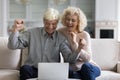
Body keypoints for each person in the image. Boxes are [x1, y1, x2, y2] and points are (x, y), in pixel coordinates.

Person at [8, 8, 81, 80]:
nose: (50, 27)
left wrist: (79, 48)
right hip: (33, 70)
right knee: (25, 69)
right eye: (47, 23)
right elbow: (13, 45)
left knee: (70, 71)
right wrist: (15, 30)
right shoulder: (32, 33)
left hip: (52, 71)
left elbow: (69, 59)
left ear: (57, 23)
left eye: (53, 24)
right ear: (43, 21)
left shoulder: (61, 38)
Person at [58, 7, 101, 80]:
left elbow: (87, 58)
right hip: (73, 70)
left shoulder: (84, 35)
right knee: (70, 72)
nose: (70, 22)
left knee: (85, 67)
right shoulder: (61, 33)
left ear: (78, 22)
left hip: (89, 67)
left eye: (73, 20)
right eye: (68, 19)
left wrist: (76, 45)